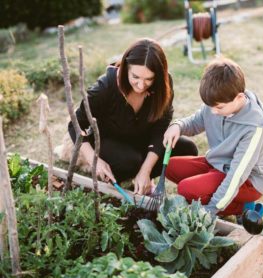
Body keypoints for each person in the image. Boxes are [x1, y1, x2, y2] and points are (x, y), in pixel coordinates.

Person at [67, 38, 198, 195]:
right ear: (125, 67)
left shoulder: (163, 85)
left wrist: (146, 171)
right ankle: (123, 173)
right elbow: (75, 124)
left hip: (141, 141)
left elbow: (160, 130)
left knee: (187, 149)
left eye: (149, 79)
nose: (141, 86)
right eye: (135, 77)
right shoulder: (105, 87)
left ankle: (141, 176)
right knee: (130, 161)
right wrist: (94, 160)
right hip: (110, 143)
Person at [163, 57, 263, 217]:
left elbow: (237, 175)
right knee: (170, 166)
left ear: (239, 98)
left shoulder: (254, 127)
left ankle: (242, 208)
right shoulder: (217, 103)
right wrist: (177, 126)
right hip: (218, 165)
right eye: (210, 106)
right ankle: (219, 193)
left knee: (186, 189)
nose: (213, 112)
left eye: (219, 107)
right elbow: (195, 122)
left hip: (247, 181)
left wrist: (211, 209)